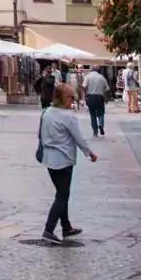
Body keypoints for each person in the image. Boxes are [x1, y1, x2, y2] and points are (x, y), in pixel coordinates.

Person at [39, 80, 98, 242]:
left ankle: (66, 227)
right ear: (61, 98)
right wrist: (90, 153)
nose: (73, 100)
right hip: (63, 161)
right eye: (70, 97)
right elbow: (79, 139)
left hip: (49, 159)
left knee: (61, 193)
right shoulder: (68, 117)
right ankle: (48, 230)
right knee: (62, 196)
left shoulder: (46, 112)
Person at [83, 66, 110, 136]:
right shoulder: (102, 77)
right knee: (101, 113)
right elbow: (107, 89)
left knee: (92, 114)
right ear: (99, 70)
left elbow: (84, 87)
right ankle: (100, 124)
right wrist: (106, 99)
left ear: (91, 69)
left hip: (90, 97)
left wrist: (85, 96)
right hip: (99, 97)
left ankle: (95, 131)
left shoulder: (88, 76)